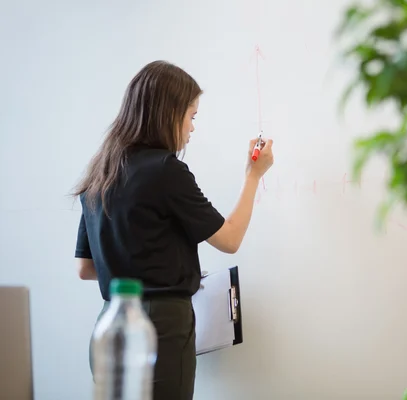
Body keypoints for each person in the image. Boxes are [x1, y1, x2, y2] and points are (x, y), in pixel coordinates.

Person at [72, 60, 273, 400]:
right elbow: (230, 238)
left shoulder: (102, 171)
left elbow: (86, 268)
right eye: (191, 116)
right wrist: (253, 175)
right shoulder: (166, 170)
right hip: (160, 327)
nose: (192, 128)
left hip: (109, 324)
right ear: (168, 112)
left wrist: (160, 262)